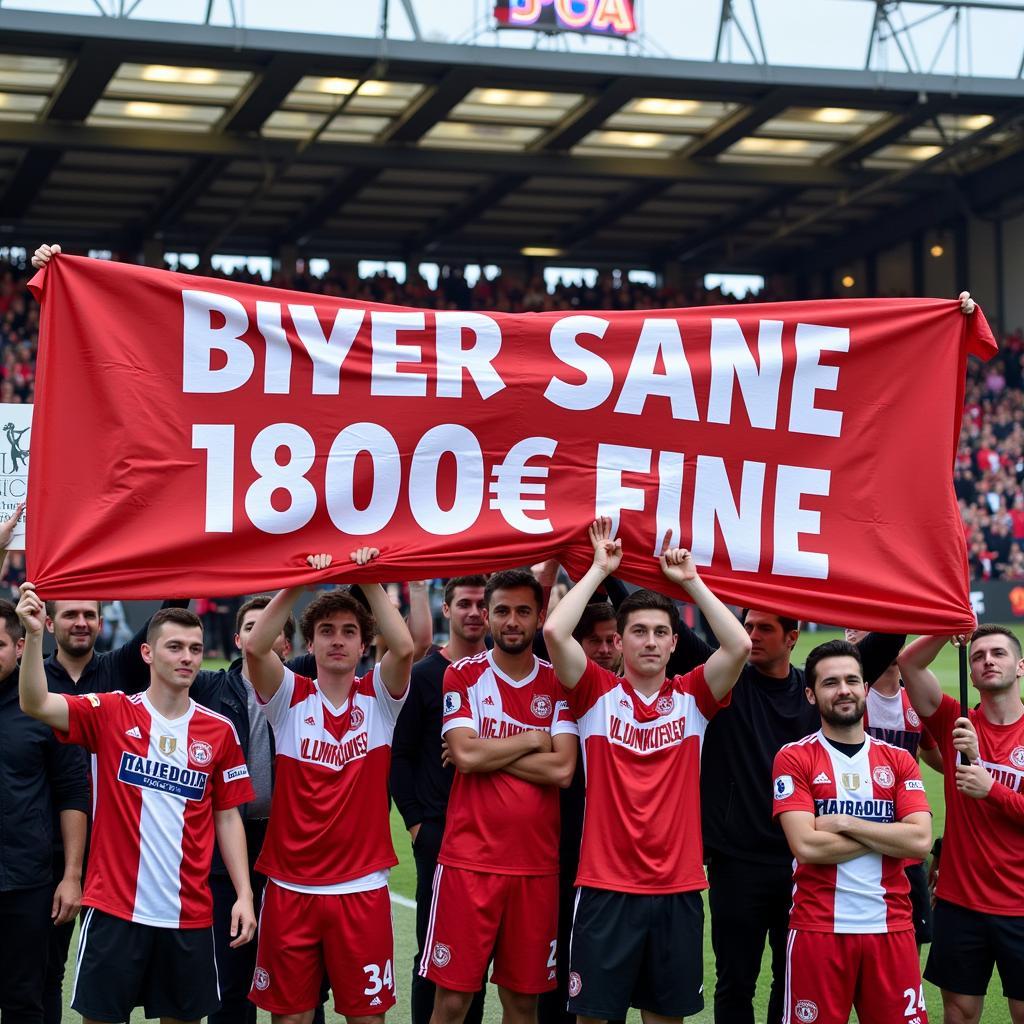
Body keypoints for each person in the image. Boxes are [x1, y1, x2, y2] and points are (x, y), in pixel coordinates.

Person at [543, 519, 751, 1024]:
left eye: (661, 632)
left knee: (665, 1019)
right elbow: (553, 630)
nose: (651, 642)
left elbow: (739, 646)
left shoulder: (693, 699)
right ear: (622, 640)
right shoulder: (595, 693)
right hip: (604, 888)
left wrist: (689, 582)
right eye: (638, 631)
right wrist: (598, 569)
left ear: (674, 643)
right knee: (594, 1017)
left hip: (677, 890)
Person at [17, 589, 257, 1024]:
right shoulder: (111, 711)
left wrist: (243, 893)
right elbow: (35, 702)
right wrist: (34, 638)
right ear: (146, 653)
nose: (187, 657)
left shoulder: (219, 731)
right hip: (114, 911)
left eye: (196, 649)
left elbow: (227, 816)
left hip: (189, 915)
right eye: (175, 647)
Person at [244, 549, 414, 1024]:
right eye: (326, 632)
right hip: (290, 886)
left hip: (361, 886)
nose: (337, 641)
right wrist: (301, 579)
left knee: (365, 1017)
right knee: (291, 1017)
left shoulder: (380, 700)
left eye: (348, 632)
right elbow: (256, 647)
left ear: (363, 646)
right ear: (310, 644)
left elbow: (402, 648)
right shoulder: (288, 698)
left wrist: (369, 577)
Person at [423, 568, 578, 1024]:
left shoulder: (559, 681)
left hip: (535, 868)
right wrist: (533, 739)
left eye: (523, 611)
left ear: (539, 616)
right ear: (488, 617)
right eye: (503, 611)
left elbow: (564, 769)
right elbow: (466, 756)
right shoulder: (462, 675)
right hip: (468, 864)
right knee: (451, 1003)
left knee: (523, 1002)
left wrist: (485, 753)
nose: (513, 621)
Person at [772, 639, 932, 1024]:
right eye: (830, 683)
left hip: (892, 928)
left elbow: (920, 841)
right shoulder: (793, 757)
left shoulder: (898, 760)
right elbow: (807, 846)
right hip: (817, 929)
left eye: (851, 680)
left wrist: (844, 823)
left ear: (865, 688)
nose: (843, 690)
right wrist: (887, 835)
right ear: (811, 694)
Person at [188, 596, 317, 1024]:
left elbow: (359, 635)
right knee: (230, 978)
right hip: (228, 843)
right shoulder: (209, 688)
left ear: (286, 641)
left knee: (300, 980)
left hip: (289, 847)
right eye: (249, 625)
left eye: (272, 624)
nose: (259, 632)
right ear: (239, 637)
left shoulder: (305, 682)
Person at [898, 627, 1024, 1024]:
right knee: (959, 1012)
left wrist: (991, 789)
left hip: (1020, 903)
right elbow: (908, 663)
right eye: (978, 655)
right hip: (959, 901)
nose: (987, 659)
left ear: (1020, 667)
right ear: (970, 674)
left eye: (998, 653)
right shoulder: (956, 722)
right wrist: (945, 627)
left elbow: (995, 795)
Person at [390, 575, 489, 1024]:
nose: (474, 612)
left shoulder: (501, 672)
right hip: (439, 837)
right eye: (464, 603)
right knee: (434, 959)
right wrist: (417, 825)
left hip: (493, 840)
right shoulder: (425, 675)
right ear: (446, 610)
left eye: (482, 604)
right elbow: (401, 756)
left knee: (479, 961)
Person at [0, 577, 89, 1024]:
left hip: (26, 883)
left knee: (25, 1000)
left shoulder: (46, 708)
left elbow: (74, 793)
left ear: (19, 648)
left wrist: (72, 875)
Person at [538, 601, 624, 1024]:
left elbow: (561, 766)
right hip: (556, 842)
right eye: (595, 640)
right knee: (557, 955)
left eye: (612, 640)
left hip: (617, 854)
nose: (606, 649)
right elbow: (551, 630)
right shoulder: (563, 686)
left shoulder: (644, 692)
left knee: (612, 969)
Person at [847, 628, 942, 949]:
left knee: (908, 941)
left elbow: (936, 756)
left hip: (905, 842)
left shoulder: (914, 700)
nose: (850, 629)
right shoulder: (847, 699)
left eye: (860, 624)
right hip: (858, 835)